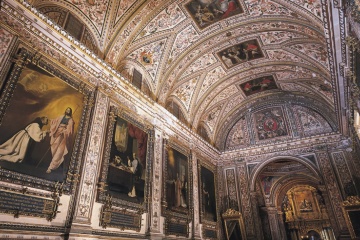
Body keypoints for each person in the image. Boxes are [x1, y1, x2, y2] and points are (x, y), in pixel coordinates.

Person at [46, 107, 74, 173]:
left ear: (70, 112)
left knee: (59, 150)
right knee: (54, 148)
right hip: (57, 133)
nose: (67, 111)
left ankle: (50, 167)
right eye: (67, 109)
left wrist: (64, 131)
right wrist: (50, 120)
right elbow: (55, 121)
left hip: (63, 135)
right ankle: (56, 163)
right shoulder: (61, 117)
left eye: (69, 110)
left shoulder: (70, 120)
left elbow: (70, 129)